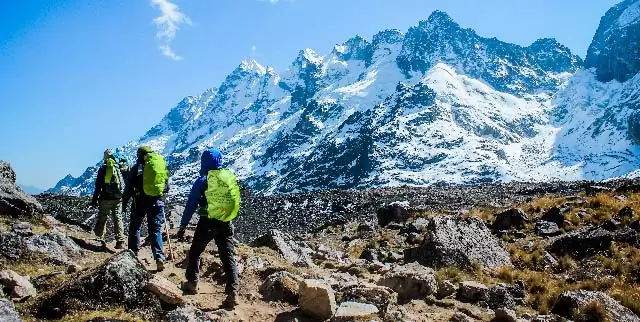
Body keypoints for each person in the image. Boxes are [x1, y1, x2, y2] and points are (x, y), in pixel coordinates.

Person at [177, 149, 241, 307]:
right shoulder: (227, 176)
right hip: (226, 220)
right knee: (228, 256)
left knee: (195, 251)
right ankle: (233, 293)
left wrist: (183, 225)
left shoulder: (202, 180)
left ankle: (192, 283)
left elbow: (191, 204)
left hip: (207, 221)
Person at [122, 146, 169, 271]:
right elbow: (166, 186)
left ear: (140, 155)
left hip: (140, 202)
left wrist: (124, 203)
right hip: (157, 203)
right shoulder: (160, 165)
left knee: (135, 228)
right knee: (155, 230)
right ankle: (159, 257)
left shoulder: (137, 168)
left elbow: (128, 187)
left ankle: (133, 254)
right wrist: (161, 198)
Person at [91, 149, 126, 249]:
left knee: (103, 218)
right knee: (118, 218)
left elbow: (98, 186)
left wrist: (94, 199)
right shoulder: (118, 167)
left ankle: (99, 239)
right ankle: (120, 241)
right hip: (118, 198)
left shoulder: (103, 168)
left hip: (105, 198)